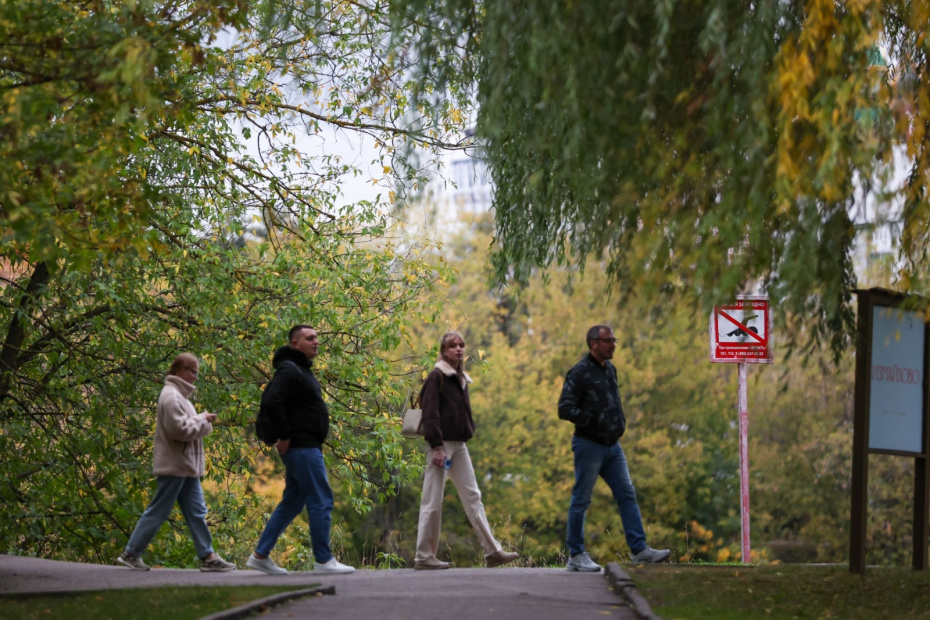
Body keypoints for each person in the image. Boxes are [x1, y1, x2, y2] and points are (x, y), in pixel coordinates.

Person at [558, 325, 671, 571]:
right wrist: (594, 420)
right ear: (593, 344)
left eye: (614, 340)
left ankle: (640, 550)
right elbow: (564, 408)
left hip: (613, 447)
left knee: (626, 494)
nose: (613, 344)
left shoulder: (610, 370)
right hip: (589, 445)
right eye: (607, 340)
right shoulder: (579, 373)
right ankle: (576, 555)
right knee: (581, 500)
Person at [245, 325, 355, 575]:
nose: (316, 341)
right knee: (321, 499)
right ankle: (324, 561)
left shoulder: (299, 369)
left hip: (305, 446)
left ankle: (260, 555)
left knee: (292, 503)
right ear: (295, 343)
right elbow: (272, 400)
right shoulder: (290, 369)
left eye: (317, 337)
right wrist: (284, 435)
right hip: (302, 446)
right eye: (310, 338)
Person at [117, 353, 236, 572]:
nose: (195, 377)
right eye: (193, 372)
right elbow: (179, 430)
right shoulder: (171, 397)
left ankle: (208, 557)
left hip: (185, 466)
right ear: (180, 370)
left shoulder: (180, 397)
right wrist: (203, 421)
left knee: (196, 511)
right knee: (159, 510)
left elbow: (186, 423)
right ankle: (131, 553)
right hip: (175, 466)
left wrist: (200, 418)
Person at [414, 331, 520, 570]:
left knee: (473, 496)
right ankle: (423, 556)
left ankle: (493, 552)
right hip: (441, 446)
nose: (459, 349)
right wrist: (437, 447)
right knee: (433, 500)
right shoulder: (436, 377)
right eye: (453, 346)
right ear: (443, 351)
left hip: (459, 446)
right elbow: (429, 414)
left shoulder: (460, 378)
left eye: (462, 345)